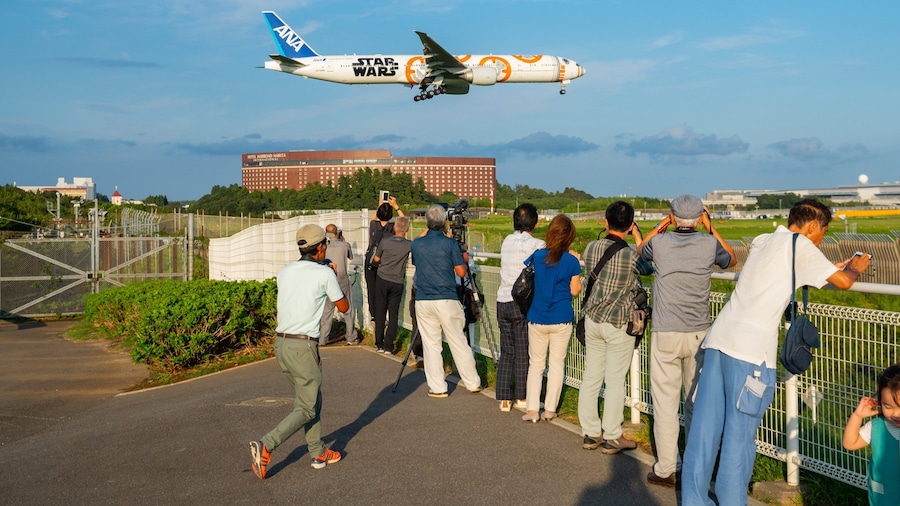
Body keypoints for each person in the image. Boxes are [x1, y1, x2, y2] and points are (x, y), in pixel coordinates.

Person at [682, 199, 871, 505]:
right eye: (822, 231)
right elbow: (844, 282)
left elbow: (788, 270)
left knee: (704, 431)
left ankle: (693, 500)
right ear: (812, 226)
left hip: (718, 342)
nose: (821, 238)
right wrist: (855, 267)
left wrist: (828, 267)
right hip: (750, 352)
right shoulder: (802, 245)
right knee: (738, 439)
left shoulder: (763, 240)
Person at [637, 195, 736, 488]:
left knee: (665, 404)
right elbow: (731, 258)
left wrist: (659, 226)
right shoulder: (708, 244)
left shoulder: (661, 243)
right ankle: (696, 466)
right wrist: (711, 227)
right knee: (696, 402)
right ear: (700, 218)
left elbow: (639, 251)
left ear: (672, 217)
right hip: (699, 333)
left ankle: (668, 467)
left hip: (666, 332)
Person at [249, 224, 349, 480]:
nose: (326, 247)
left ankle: (318, 452)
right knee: (306, 406)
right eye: (325, 244)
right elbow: (344, 307)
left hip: (281, 343)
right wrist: (332, 275)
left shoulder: (285, 271)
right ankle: (267, 444)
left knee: (310, 399)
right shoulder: (324, 274)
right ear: (319, 248)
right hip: (304, 345)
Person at [578, 201, 650, 453]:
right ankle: (612, 435)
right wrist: (639, 238)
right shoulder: (632, 255)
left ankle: (589, 432)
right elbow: (649, 267)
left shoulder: (591, 247)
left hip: (593, 320)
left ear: (605, 222)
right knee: (615, 380)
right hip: (618, 322)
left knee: (591, 376)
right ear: (630, 226)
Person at [410, 204, 482, 397]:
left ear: (427, 222)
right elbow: (460, 271)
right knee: (457, 340)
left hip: (424, 299)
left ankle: (437, 387)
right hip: (446, 298)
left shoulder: (416, 244)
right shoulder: (449, 244)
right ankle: (472, 382)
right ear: (444, 222)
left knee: (431, 345)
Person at [521, 214, 581, 422]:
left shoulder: (537, 256)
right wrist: (575, 261)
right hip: (561, 318)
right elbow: (575, 291)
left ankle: (531, 410)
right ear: (569, 237)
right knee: (556, 364)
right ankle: (549, 409)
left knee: (536, 364)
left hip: (537, 317)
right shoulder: (572, 261)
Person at [496, 203, 545, 412]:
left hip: (502, 299)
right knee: (524, 350)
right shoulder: (537, 244)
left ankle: (504, 398)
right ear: (535, 222)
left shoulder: (507, 241)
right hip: (521, 303)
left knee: (507, 350)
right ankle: (522, 397)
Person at [843, 363, 900, 505]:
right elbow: (850, 443)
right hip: (883, 498)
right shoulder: (877, 427)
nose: (895, 414)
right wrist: (857, 416)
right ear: (880, 401)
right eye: (888, 406)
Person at [372, 216, 412, 354]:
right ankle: (389, 345)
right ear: (407, 230)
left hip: (382, 278)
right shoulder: (409, 245)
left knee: (380, 311)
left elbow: (376, 259)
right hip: (398, 281)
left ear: (394, 227)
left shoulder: (385, 241)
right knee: (393, 313)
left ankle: (379, 343)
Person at [365, 196, 404, 322]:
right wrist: (396, 206)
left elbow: (373, 218)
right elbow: (403, 221)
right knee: (383, 291)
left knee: (372, 289)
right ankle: (384, 316)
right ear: (390, 215)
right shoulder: (393, 227)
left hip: (371, 262)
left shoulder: (373, 225)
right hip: (386, 262)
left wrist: (379, 206)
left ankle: (374, 315)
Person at [320, 224, 358, 345]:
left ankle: (323, 339)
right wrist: (343, 242)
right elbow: (350, 257)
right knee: (347, 308)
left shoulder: (323, 247)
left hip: (328, 279)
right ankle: (351, 337)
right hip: (342, 279)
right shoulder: (345, 245)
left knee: (327, 311)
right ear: (337, 232)